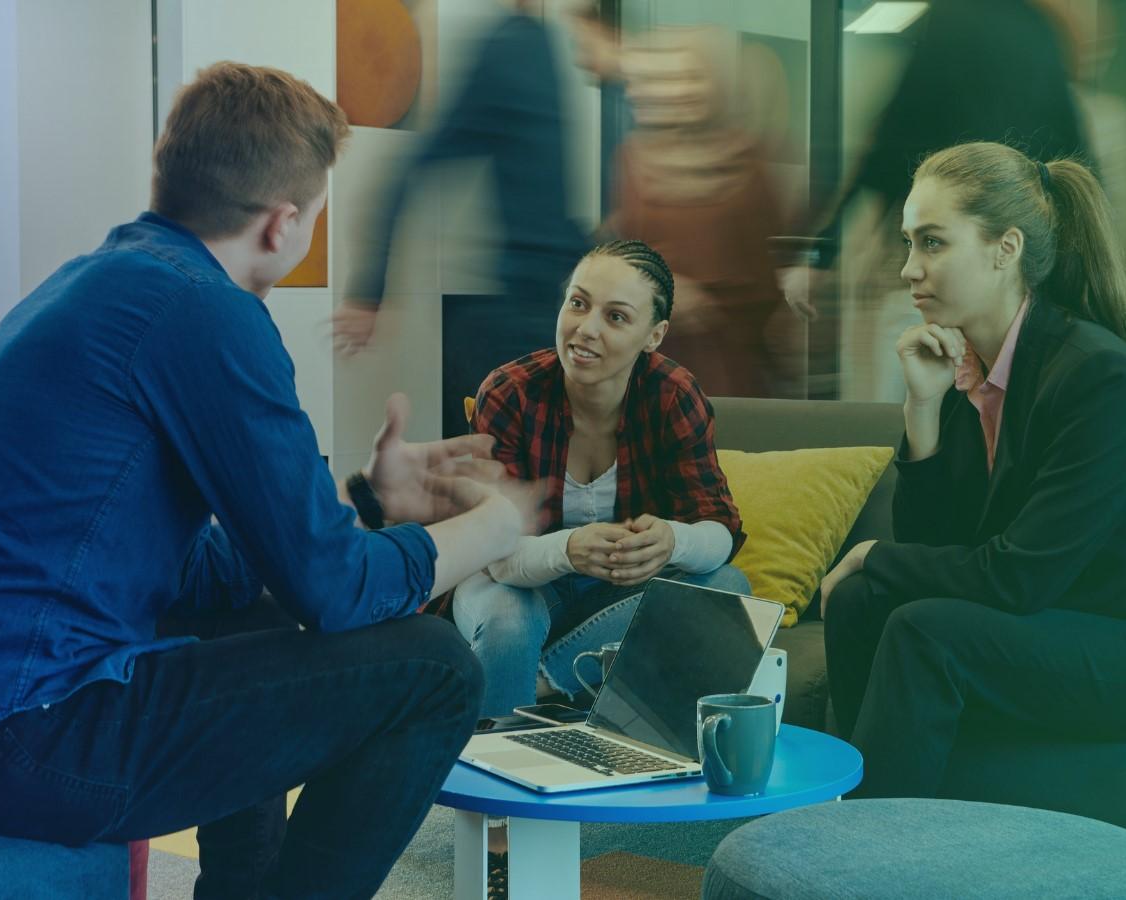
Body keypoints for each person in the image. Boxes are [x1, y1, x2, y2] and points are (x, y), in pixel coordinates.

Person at [0, 63, 535, 899]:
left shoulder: (103, 280)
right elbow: (337, 591)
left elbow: (196, 570)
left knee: (253, 614)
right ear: (282, 225)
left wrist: (370, 501)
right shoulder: (207, 314)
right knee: (435, 667)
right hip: (4, 735)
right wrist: (493, 528)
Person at [814, 142, 1126, 799]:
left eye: (934, 243)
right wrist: (922, 408)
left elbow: (1018, 577)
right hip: (1080, 616)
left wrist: (872, 554)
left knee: (924, 631)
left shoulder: (1094, 374)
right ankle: (844, 828)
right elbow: (939, 549)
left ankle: (873, 861)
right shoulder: (968, 369)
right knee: (863, 603)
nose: (910, 269)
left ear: (1006, 249)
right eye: (909, 243)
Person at [456, 240, 749, 718]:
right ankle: (489, 778)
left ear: (654, 336)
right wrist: (569, 549)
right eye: (578, 303)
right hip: (510, 582)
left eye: (615, 317)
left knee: (727, 587)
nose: (585, 329)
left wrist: (672, 541)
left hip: (614, 594)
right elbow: (493, 554)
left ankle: (544, 682)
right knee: (510, 621)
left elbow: (721, 531)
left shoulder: (674, 396)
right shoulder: (510, 392)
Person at [781, 0, 1090, 401]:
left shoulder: (954, 19)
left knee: (913, 399)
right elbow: (1076, 157)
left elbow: (891, 141)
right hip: (1025, 275)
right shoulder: (1040, 31)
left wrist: (824, 251)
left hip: (950, 255)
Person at [333, 0, 590, 437]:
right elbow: (419, 164)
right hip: (509, 315)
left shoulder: (538, 41)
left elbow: (549, 196)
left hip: (540, 303)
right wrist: (369, 287)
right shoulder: (514, 47)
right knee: (500, 475)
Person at [607, 29, 800, 399]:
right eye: (669, 80)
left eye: (692, 77)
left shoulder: (748, 160)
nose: (680, 91)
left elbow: (767, 271)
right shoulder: (632, 160)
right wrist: (667, 289)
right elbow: (625, 257)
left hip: (735, 356)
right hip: (656, 351)